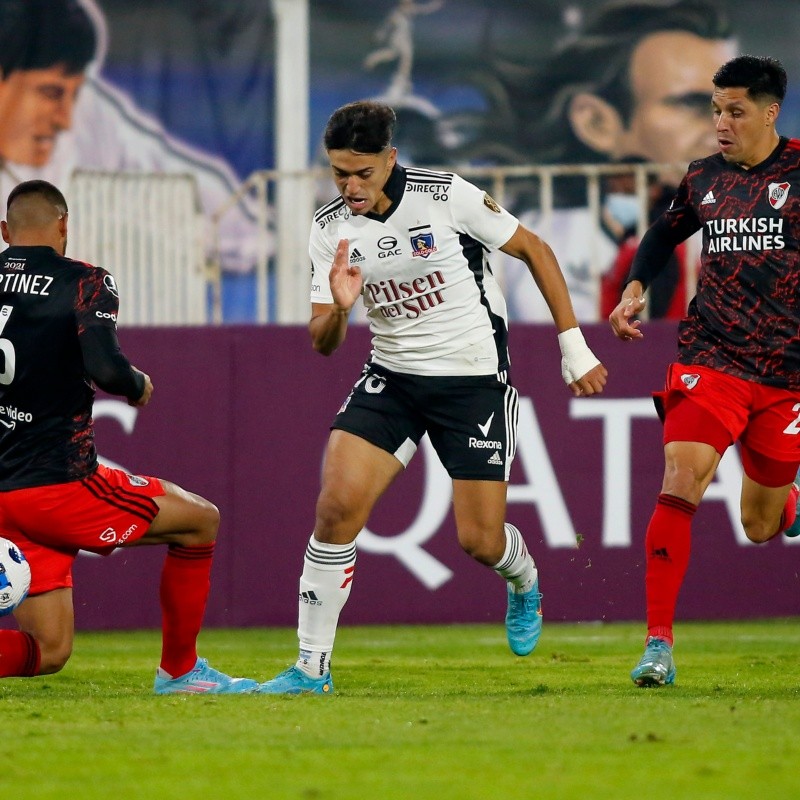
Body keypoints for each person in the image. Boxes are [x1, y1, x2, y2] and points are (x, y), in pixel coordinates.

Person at [257, 100, 607, 695]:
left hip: (471, 381)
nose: (350, 186)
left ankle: (522, 577)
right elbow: (322, 342)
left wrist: (574, 348)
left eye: (363, 173)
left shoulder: (445, 195)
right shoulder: (329, 230)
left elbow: (536, 251)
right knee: (336, 508)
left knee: (479, 541)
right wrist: (341, 309)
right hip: (391, 376)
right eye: (339, 172)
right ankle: (310, 669)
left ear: (391, 159)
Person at [0, 180, 257, 694]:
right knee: (200, 521)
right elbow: (107, 369)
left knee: (49, 650)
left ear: (5, 232)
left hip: (5, 492)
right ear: (63, 227)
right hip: (56, 485)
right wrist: (137, 385)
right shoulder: (84, 281)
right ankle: (180, 672)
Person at [609, 56, 800, 687]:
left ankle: (789, 505)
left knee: (760, 525)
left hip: (786, 375)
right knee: (682, 475)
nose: (720, 122)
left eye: (735, 111)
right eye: (715, 109)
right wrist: (637, 283)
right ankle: (657, 644)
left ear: (770, 112)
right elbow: (662, 237)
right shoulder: (702, 180)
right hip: (711, 358)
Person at [450, 0, 736, 322]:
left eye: (735, 109)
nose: (724, 126)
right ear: (597, 123)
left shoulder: (750, 232)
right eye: (691, 104)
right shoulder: (543, 239)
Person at [0, 0, 259, 278]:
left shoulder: (91, 119)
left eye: (73, 96)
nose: (65, 120)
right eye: (50, 93)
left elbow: (213, 204)